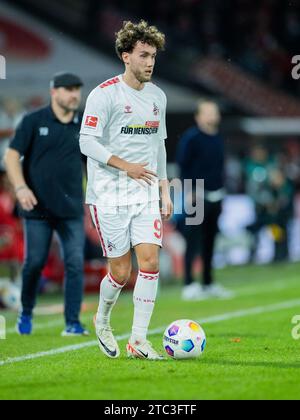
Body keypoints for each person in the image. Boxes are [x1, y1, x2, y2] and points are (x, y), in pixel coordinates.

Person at [80, 20, 173, 360]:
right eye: (144, 55)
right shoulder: (104, 95)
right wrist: (125, 166)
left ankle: (138, 340)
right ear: (125, 56)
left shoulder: (157, 96)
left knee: (149, 262)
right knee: (121, 272)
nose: (150, 62)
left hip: (146, 193)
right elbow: (86, 141)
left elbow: (159, 147)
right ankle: (102, 319)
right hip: (109, 194)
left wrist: (164, 189)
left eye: (154, 56)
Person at [4, 72, 89, 337]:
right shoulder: (33, 121)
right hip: (37, 207)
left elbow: (93, 163)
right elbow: (11, 155)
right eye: (69, 90)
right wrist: (20, 187)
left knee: (75, 263)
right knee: (34, 263)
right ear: (55, 92)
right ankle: (26, 310)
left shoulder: (86, 124)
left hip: (71, 208)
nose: (74, 94)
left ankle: (73, 322)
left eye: (77, 89)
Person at [176, 99, 234, 301]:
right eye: (207, 112)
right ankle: (189, 284)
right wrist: (189, 189)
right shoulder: (191, 139)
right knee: (192, 241)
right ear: (198, 116)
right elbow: (183, 166)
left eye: (214, 111)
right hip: (197, 194)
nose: (212, 115)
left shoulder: (218, 137)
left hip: (216, 194)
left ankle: (208, 283)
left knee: (211, 240)